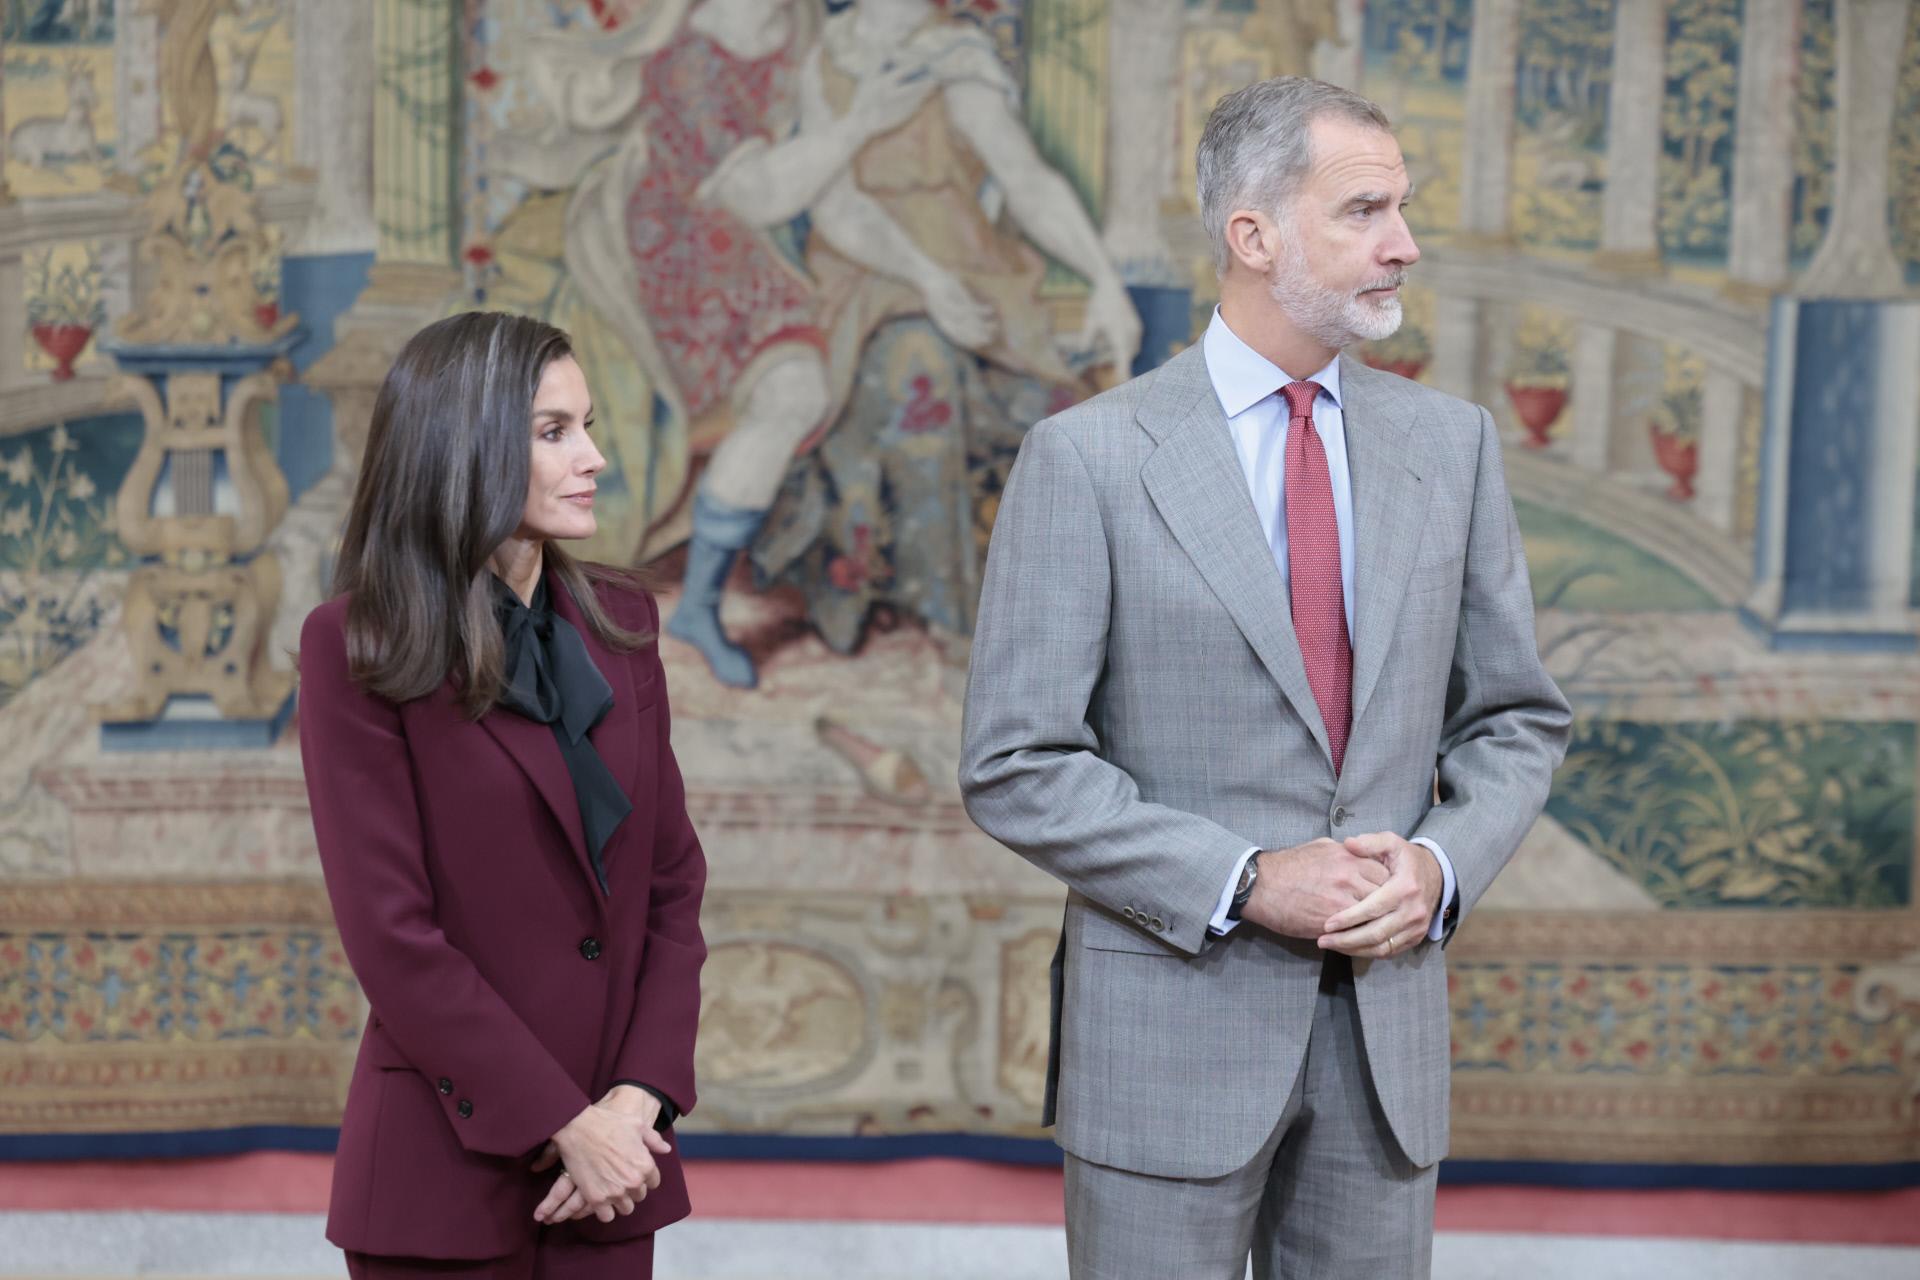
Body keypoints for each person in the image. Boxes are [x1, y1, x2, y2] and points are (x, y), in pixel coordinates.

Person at [959, 77, 1572, 1279]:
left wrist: (1440, 865)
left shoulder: (1452, 449)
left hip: (1385, 1054)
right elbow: (1014, 762)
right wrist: (1242, 877)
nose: (1405, 243)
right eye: (1364, 210)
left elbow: (1516, 718)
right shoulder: (1086, 460)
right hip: (1165, 1048)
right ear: (1253, 235)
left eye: (1402, 207)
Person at [297, 312, 708, 1278]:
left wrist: (636, 1101)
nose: (595, 456)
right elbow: (393, 936)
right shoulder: (355, 644)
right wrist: (564, 1124)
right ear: (466, 446)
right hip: (445, 1174)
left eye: (588, 426)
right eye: (555, 431)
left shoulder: (622, 623)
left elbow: (671, 886)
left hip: (613, 1177)